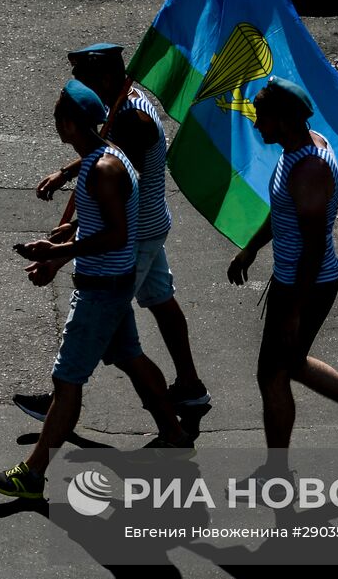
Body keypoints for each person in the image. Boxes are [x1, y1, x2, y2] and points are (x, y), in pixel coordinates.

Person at [0, 81, 191, 501]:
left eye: (58, 118)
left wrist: (60, 250)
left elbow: (116, 234)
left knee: (68, 380)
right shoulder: (107, 158)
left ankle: (32, 475)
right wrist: (74, 227)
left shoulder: (103, 168)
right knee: (130, 356)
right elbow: (107, 217)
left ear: (68, 124)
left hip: (100, 288)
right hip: (110, 284)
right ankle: (175, 435)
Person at [13, 43, 209, 422]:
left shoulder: (134, 119)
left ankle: (62, 401)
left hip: (137, 236)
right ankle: (190, 386)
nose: (79, 89)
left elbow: (117, 196)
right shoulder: (124, 101)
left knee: (103, 326)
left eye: (83, 81)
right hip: (149, 226)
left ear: (104, 78)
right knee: (160, 301)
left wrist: (62, 250)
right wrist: (68, 172)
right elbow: (108, 148)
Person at [227, 79, 338, 450]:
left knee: (272, 375)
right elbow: (283, 211)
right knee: (289, 365)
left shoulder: (308, 171)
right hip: (296, 282)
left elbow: (313, 247)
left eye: (263, 118)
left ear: (286, 122)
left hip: (303, 285)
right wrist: (252, 248)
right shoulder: (306, 145)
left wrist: (292, 310)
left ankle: (277, 475)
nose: (257, 125)